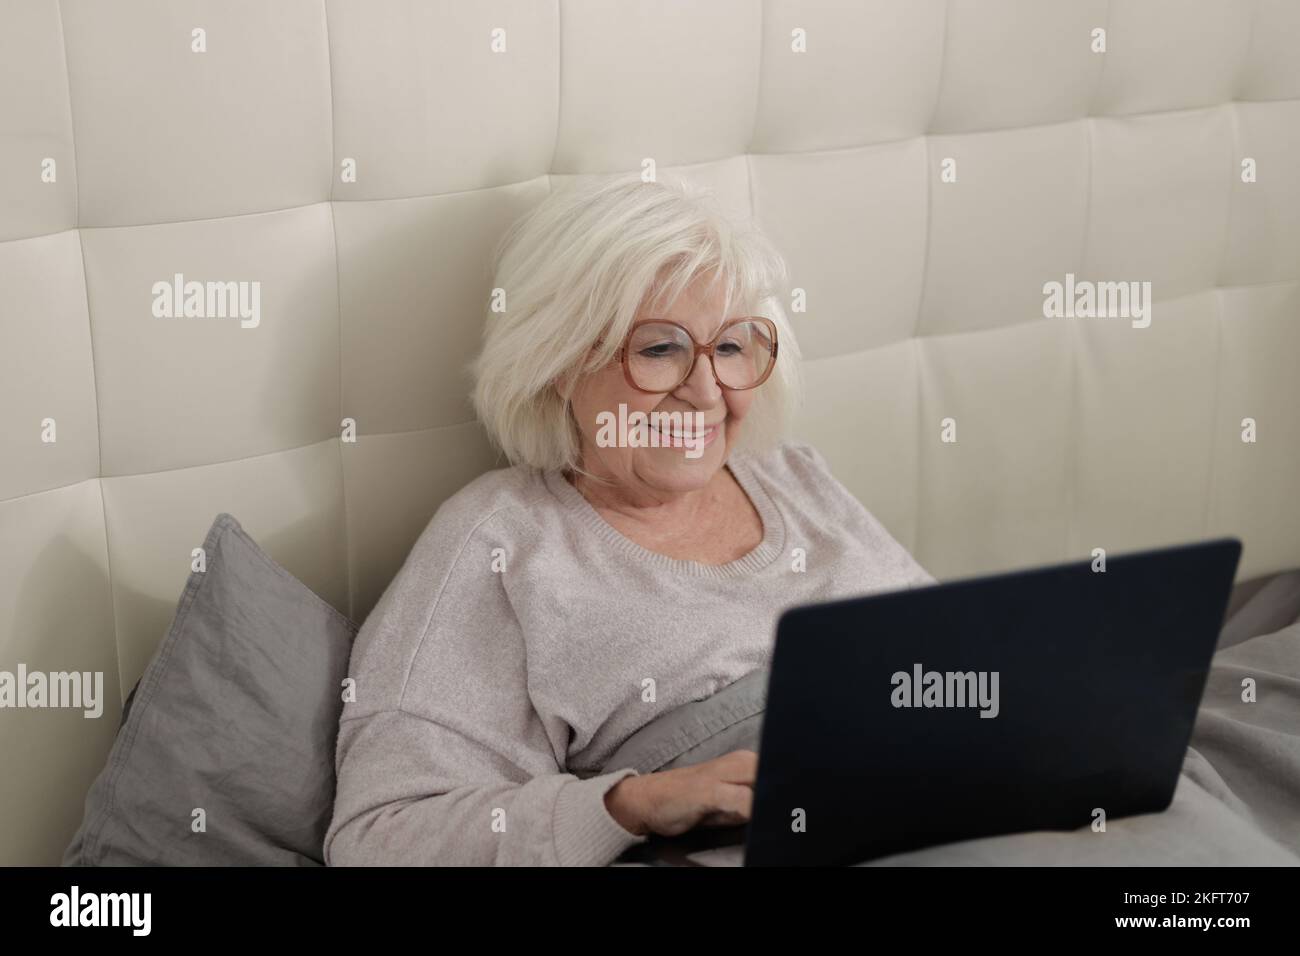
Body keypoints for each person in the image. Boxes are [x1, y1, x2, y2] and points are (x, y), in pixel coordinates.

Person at [324, 175, 934, 866]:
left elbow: (955, 652)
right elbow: (380, 837)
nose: (705, 394)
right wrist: (631, 805)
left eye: (731, 348)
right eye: (658, 350)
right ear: (558, 363)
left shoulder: (794, 479)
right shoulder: (503, 544)